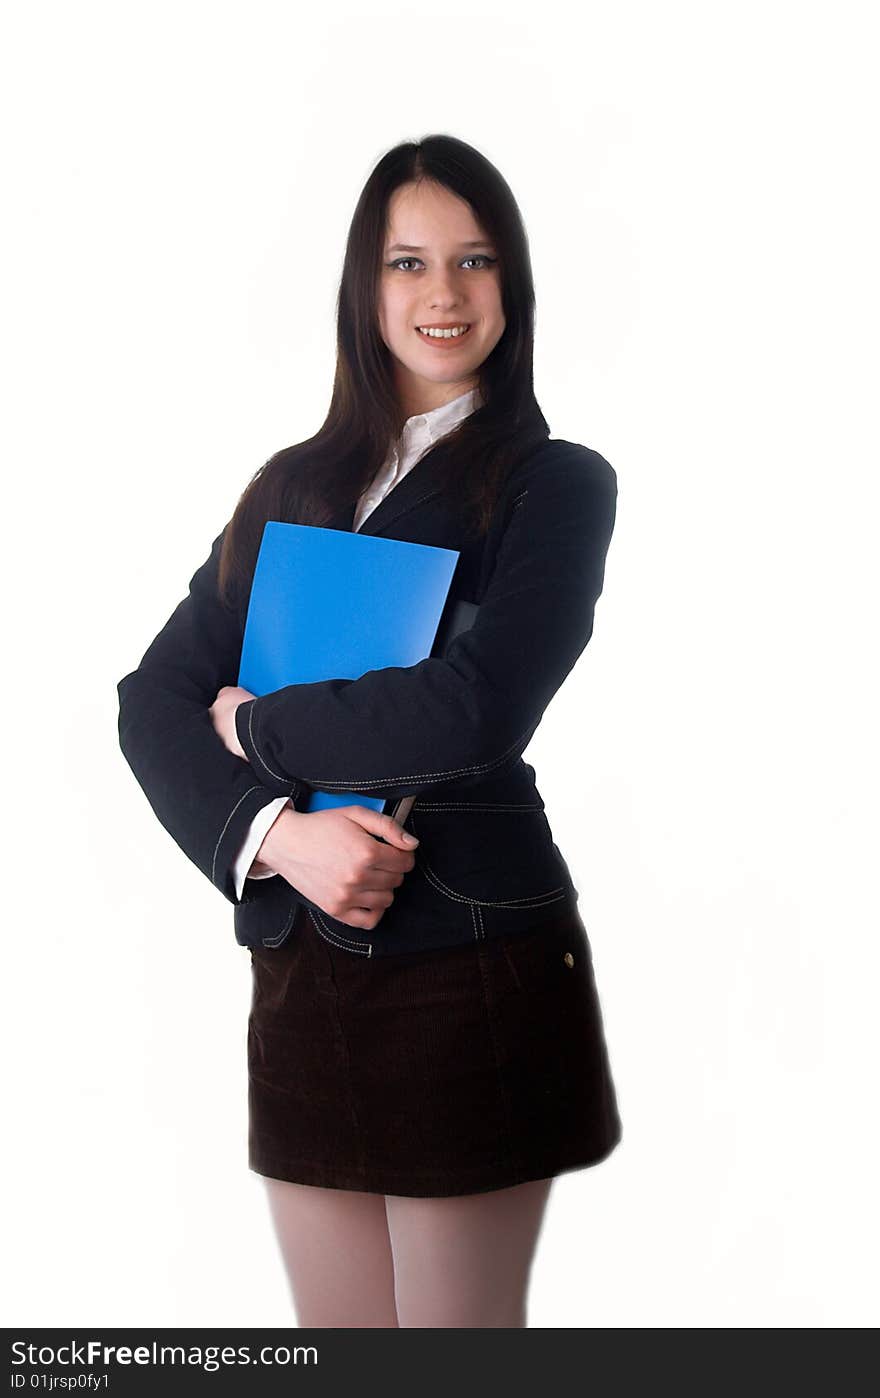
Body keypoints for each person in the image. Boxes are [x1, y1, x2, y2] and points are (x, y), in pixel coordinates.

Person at [117, 134, 623, 1328]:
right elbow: (154, 700)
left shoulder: (554, 482)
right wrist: (274, 835)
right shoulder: (292, 483)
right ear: (365, 286)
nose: (442, 294)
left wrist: (257, 734)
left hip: (465, 957)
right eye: (407, 262)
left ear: (514, 286)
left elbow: (480, 702)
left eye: (474, 260)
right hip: (298, 965)